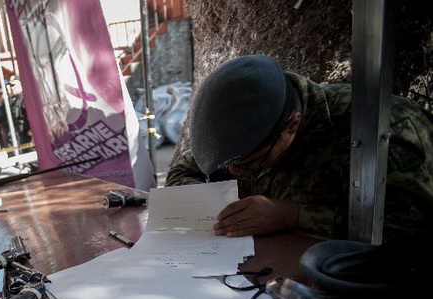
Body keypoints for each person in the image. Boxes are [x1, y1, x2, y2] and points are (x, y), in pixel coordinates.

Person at [165, 55, 433, 244]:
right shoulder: (243, 133)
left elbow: (410, 229)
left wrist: (293, 215)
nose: (234, 172)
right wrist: (218, 208)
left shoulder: (379, 133)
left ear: (292, 125)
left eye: (249, 164)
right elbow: (184, 169)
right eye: (227, 166)